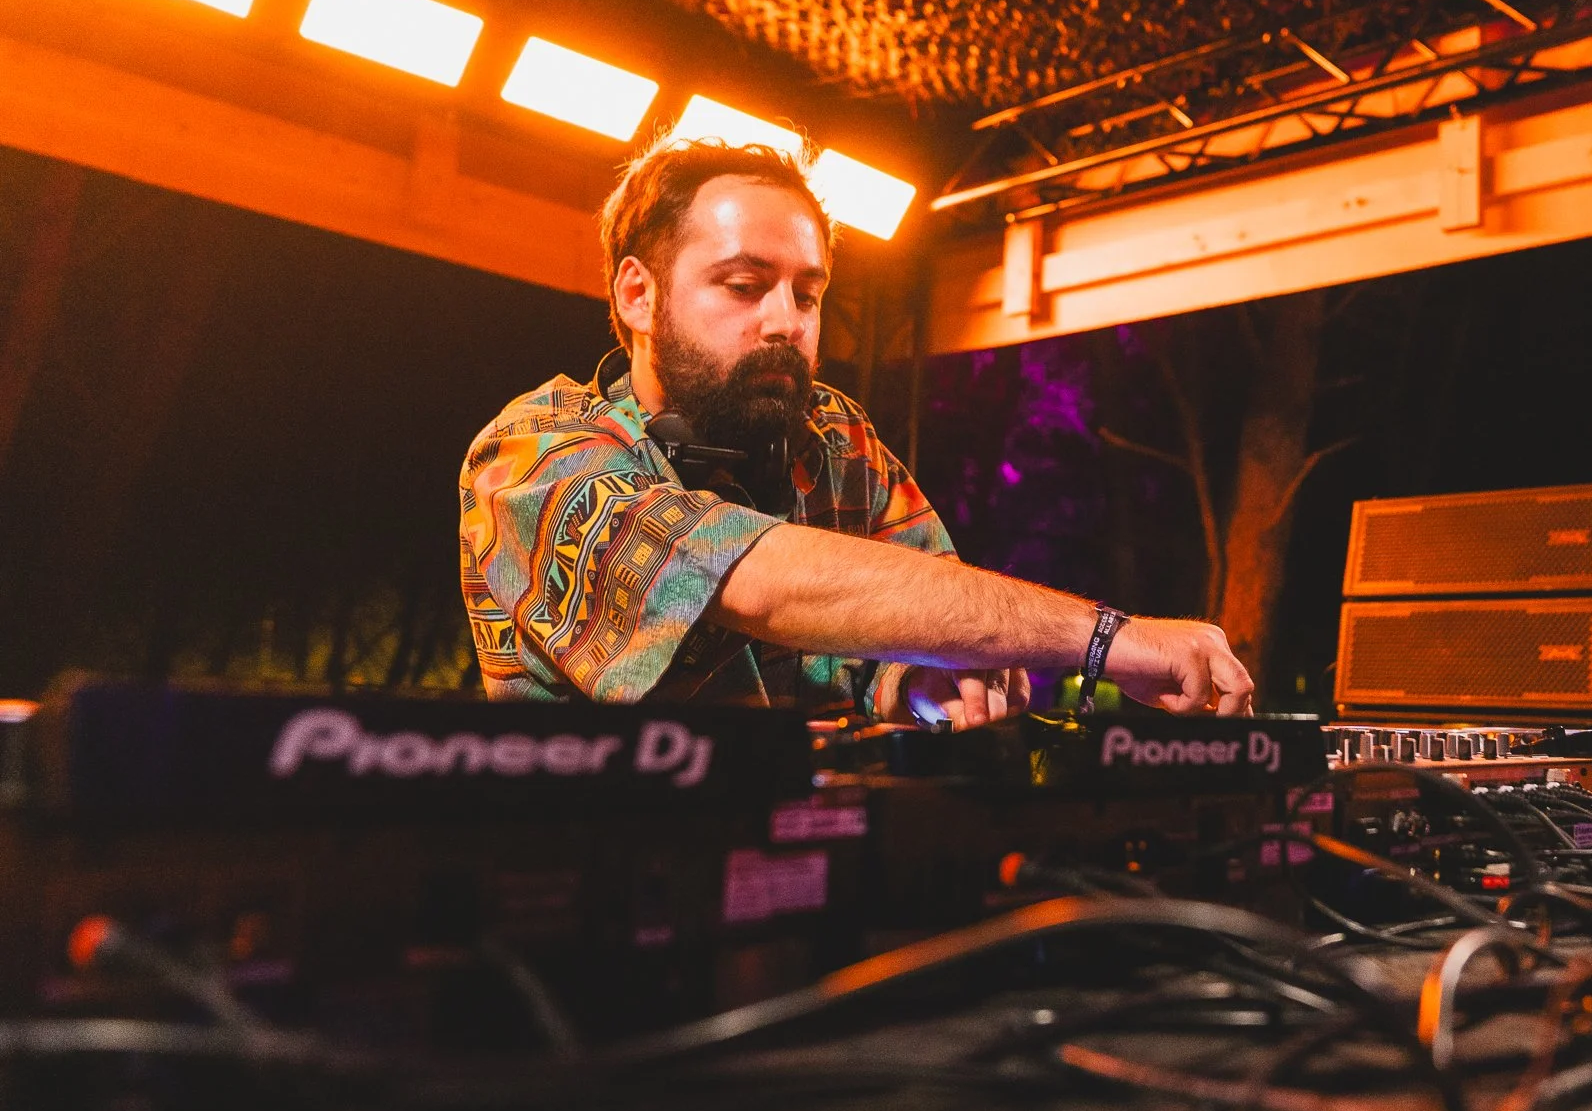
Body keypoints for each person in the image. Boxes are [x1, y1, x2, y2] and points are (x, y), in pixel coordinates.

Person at [458, 137, 1253, 728]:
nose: (785, 322)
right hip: (607, 902)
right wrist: (1108, 637)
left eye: (808, 294)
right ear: (637, 293)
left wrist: (921, 679)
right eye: (744, 285)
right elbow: (755, 581)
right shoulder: (533, 455)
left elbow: (938, 608)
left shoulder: (835, 435)